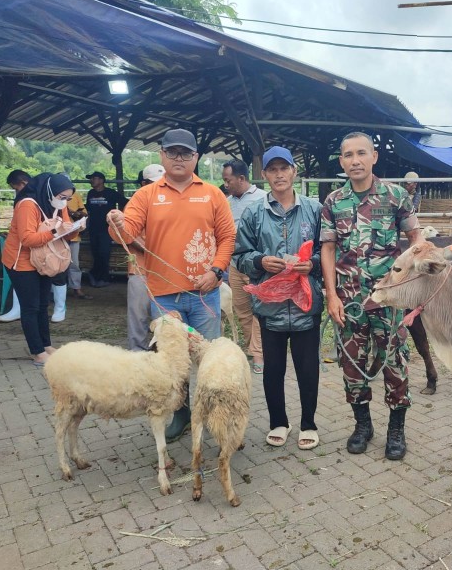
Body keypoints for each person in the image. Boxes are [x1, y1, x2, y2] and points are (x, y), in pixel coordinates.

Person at [107, 129, 236, 440]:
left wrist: (216, 272)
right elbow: (126, 234)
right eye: (173, 152)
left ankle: (216, 416)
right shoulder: (147, 195)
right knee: (174, 363)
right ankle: (181, 413)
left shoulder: (212, 193)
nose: (179, 158)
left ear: (196, 158)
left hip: (205, 294)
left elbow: (227, 237)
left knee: (210, 361)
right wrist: (117, 225)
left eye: (186, 153)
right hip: (164, 297)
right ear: (162, 155)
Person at [321, 132, 422, 461]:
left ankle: (397, 429)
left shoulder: (395, 196)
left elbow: (416, 238)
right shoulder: (334, 201)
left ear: (374, 157)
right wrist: (331, 295)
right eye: (348, 155)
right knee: (352, 363)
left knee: (395, 362)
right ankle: (362, 425)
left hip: (389, 300)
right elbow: (328, 248)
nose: (355, 160)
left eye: (361, 153)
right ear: (341, 161)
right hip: (350, 301)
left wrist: (410, 282)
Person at [233, 146, 323, 450]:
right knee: (273, 369)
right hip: (269, 308)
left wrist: (313, 264)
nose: (279, 174)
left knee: (308, 367)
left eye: (284, 168)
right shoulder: (254, 213)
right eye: (273, 169)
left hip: (305, 304)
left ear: (294, 172)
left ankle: (308, 423)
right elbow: (240, 254)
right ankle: (278, 422)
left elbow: (330, 252)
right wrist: (260, 262)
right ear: (264, 175)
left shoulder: (314, 209)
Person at [1, 173, 82, 365]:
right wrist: (56, 231)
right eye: (62, 198)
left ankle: (46, 345)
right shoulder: (28, 205)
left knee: (43, 305)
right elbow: (28, 239)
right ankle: (36, 352)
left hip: (45, 260)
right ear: (50, 191)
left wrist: (75, 228)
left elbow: (65, 233)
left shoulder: (56, 204)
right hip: (21, 262)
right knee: (30, 307)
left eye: (68, 199)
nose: (65, 203)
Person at [222, 158, 266, 373]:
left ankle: (258, 354)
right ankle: (253, 347)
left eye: (228, 180)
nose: (225, 184)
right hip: (234, 264)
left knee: (258, 308)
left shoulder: (262, 199)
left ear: (241, 178)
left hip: (255, 264)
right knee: (241, 309)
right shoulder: (227, 202)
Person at [125, 163, 165, 351]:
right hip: (140, 267)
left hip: (165, 270)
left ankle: (162, 353)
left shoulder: (167, 202)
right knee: (139, 314)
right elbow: (127, 234)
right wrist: (150, 250)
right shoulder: (135, 204)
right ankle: (137, 354)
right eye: (153, 182)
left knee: (165, 315)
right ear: (143, 183)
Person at [0, 170, 32, 322]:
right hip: (20, 249)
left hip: (31, 246)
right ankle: (17, 309)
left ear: (23, 184)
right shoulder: (23, 199)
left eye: (15, 188)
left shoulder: (26, 200)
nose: (15, 191)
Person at [85, 171, 127, 288]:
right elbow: (87, 209)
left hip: (106, 228)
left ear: (101, 180)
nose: (92, 181)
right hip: (93, 228)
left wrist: (121, 217)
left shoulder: (110, 193)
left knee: (104, 253)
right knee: (96, 253)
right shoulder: (91, 193)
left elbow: (125, 202)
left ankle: (101, 277)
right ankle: (97, 276)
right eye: (91, 179)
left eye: (94, 178)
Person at [66, 189, 91, 302]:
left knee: (74, 264)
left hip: (74, 235)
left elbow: (84, 212)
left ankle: (77, 288)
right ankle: (53, 291)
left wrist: (79, 214)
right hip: (57, 237)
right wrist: (70, 212)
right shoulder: (52, 197)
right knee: (55, 264)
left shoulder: (75, 195)